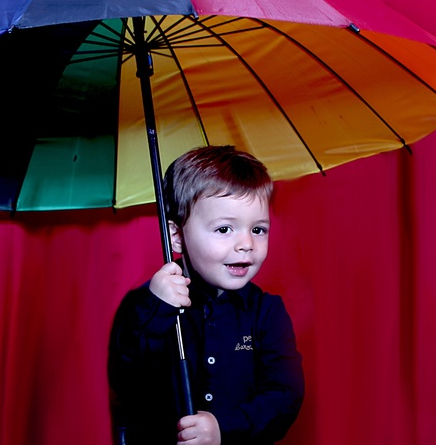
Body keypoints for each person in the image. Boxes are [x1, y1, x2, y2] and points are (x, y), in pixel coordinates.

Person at [108, 145, 305, 445]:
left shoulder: (267, 312)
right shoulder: (144, 306)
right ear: (176, 235)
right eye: (225, 229)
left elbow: (285, 395)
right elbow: (126, 380)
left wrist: (223, 427)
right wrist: (157, 311)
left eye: (259, 229)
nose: (246, 244)